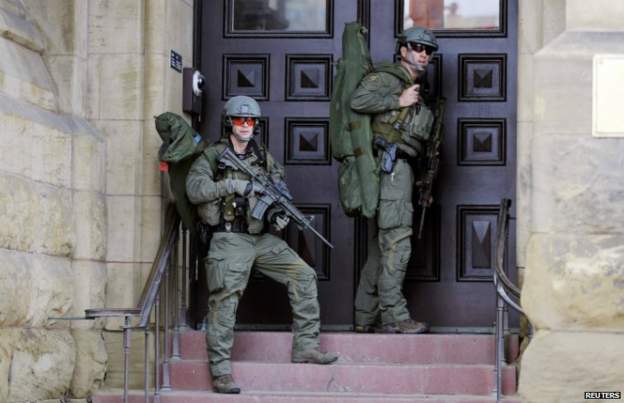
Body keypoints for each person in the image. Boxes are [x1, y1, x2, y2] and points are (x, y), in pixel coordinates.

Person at [186, 95, 338, 394]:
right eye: (241, 120)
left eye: (251, 120)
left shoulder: (262, 157)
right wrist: (233, 184)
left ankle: (306, 347)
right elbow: (195, 190)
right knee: (226, 299)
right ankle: (221, 371)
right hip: (229, 238)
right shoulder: (213, 156)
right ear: (230, 122)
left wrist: (276, 213)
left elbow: (275, 189)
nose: (246, 125)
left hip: (260, 239)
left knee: (303, 274)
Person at [350, 27, 439, 334]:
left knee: (382, 246)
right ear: (403, 50)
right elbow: (358, 99)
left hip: (401, 171)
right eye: (417, 47)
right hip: (389, 169)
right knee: (397, 245)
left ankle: (364, 315)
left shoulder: (416, 89)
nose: (423, 54)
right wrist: (397, 99)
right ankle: (395, 316)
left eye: (428, 50)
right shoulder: (389, 79)